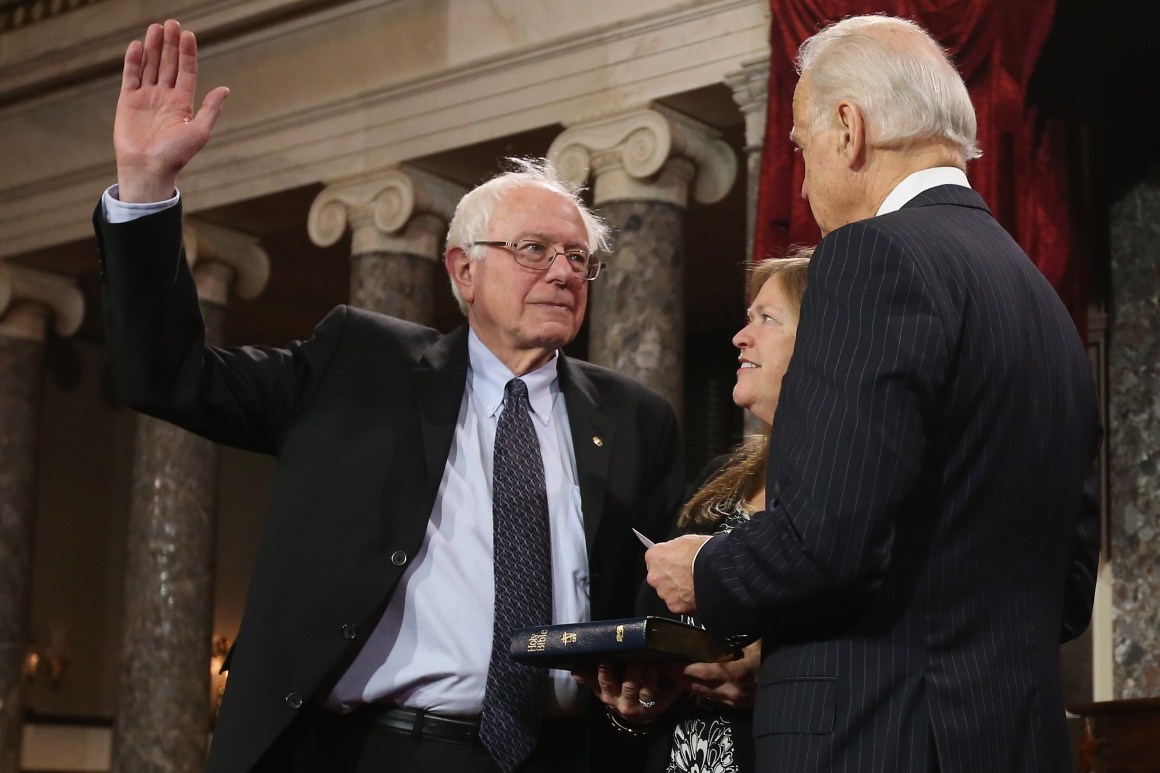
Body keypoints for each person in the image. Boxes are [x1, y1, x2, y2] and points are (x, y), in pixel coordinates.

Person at [95, 19, 684, 773]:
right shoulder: (360, 366)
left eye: (578, 258)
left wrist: (647, 675)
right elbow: (167, 374)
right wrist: (146, 189)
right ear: (462, 271)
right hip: (383, 750)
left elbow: (653, 600)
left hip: (567, 755)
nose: (563, 273)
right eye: (533, 250)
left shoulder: (638, 417)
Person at [645, 14, 1101, 773]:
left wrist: (706, 571)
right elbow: (1068, 589)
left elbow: (828, 540)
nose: (802, 171)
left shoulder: (869, 257)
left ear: (848, 129)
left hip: (880, 737)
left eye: (799, 145)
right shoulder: (1041, 298)